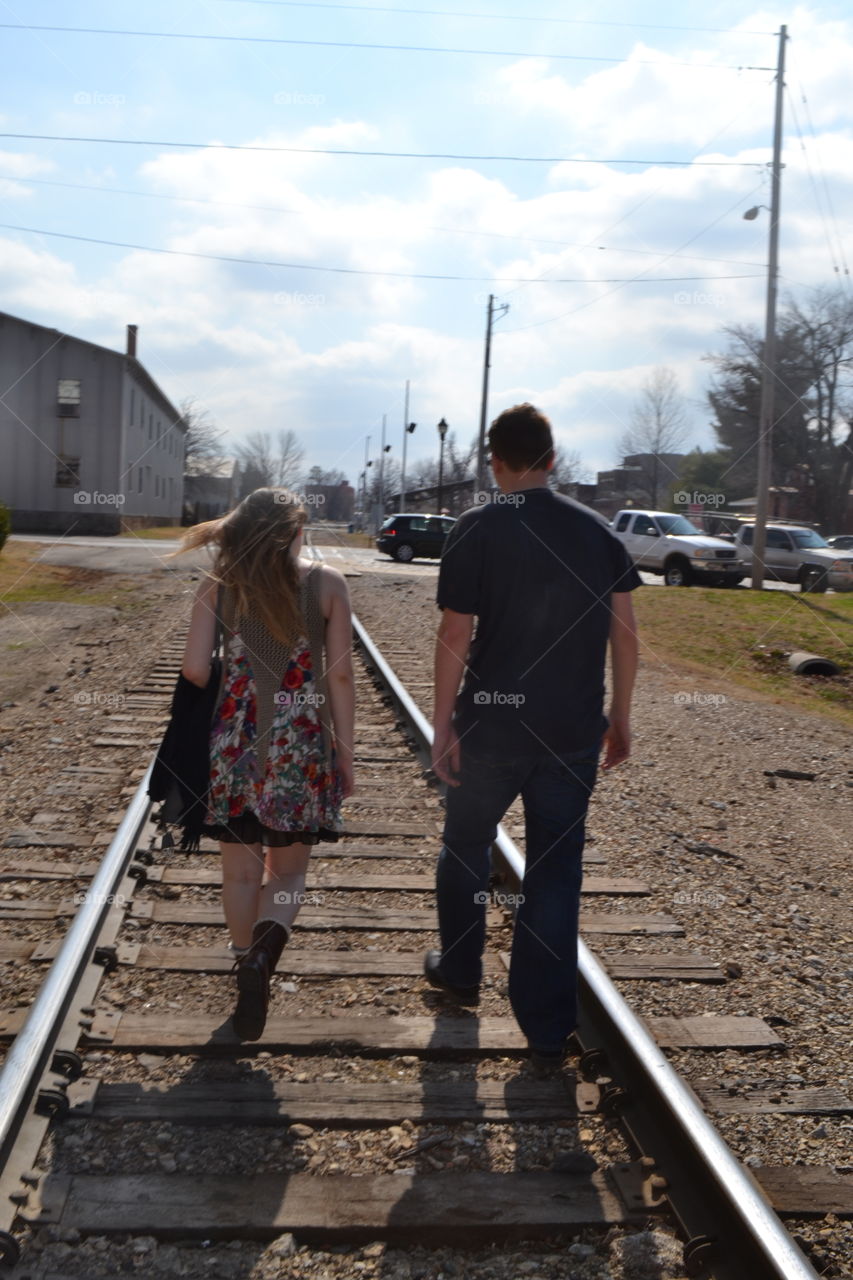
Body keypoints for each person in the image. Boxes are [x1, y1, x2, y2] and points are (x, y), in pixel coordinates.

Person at [425, 404, 640, 1071]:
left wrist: (442, 724)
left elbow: (455, 636)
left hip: (489, 728)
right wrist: (621, 715)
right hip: (571, 733)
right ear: (552, 459)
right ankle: (546, 1030)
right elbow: (625, 635)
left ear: (494, 460)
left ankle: (460, 970)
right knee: (554, 873)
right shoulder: (598, 533)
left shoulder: (475, 529)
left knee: (464, 844)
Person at [179, 488, 355, 1040]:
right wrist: (344, 751)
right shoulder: (327, 585)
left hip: (234, 741)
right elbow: (342, 677)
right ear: (296, 529)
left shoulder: (219, 585)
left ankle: (242, 962)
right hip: (300, 744)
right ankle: (264, 955)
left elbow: (194, 670)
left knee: (239, 871)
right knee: (290, 870)